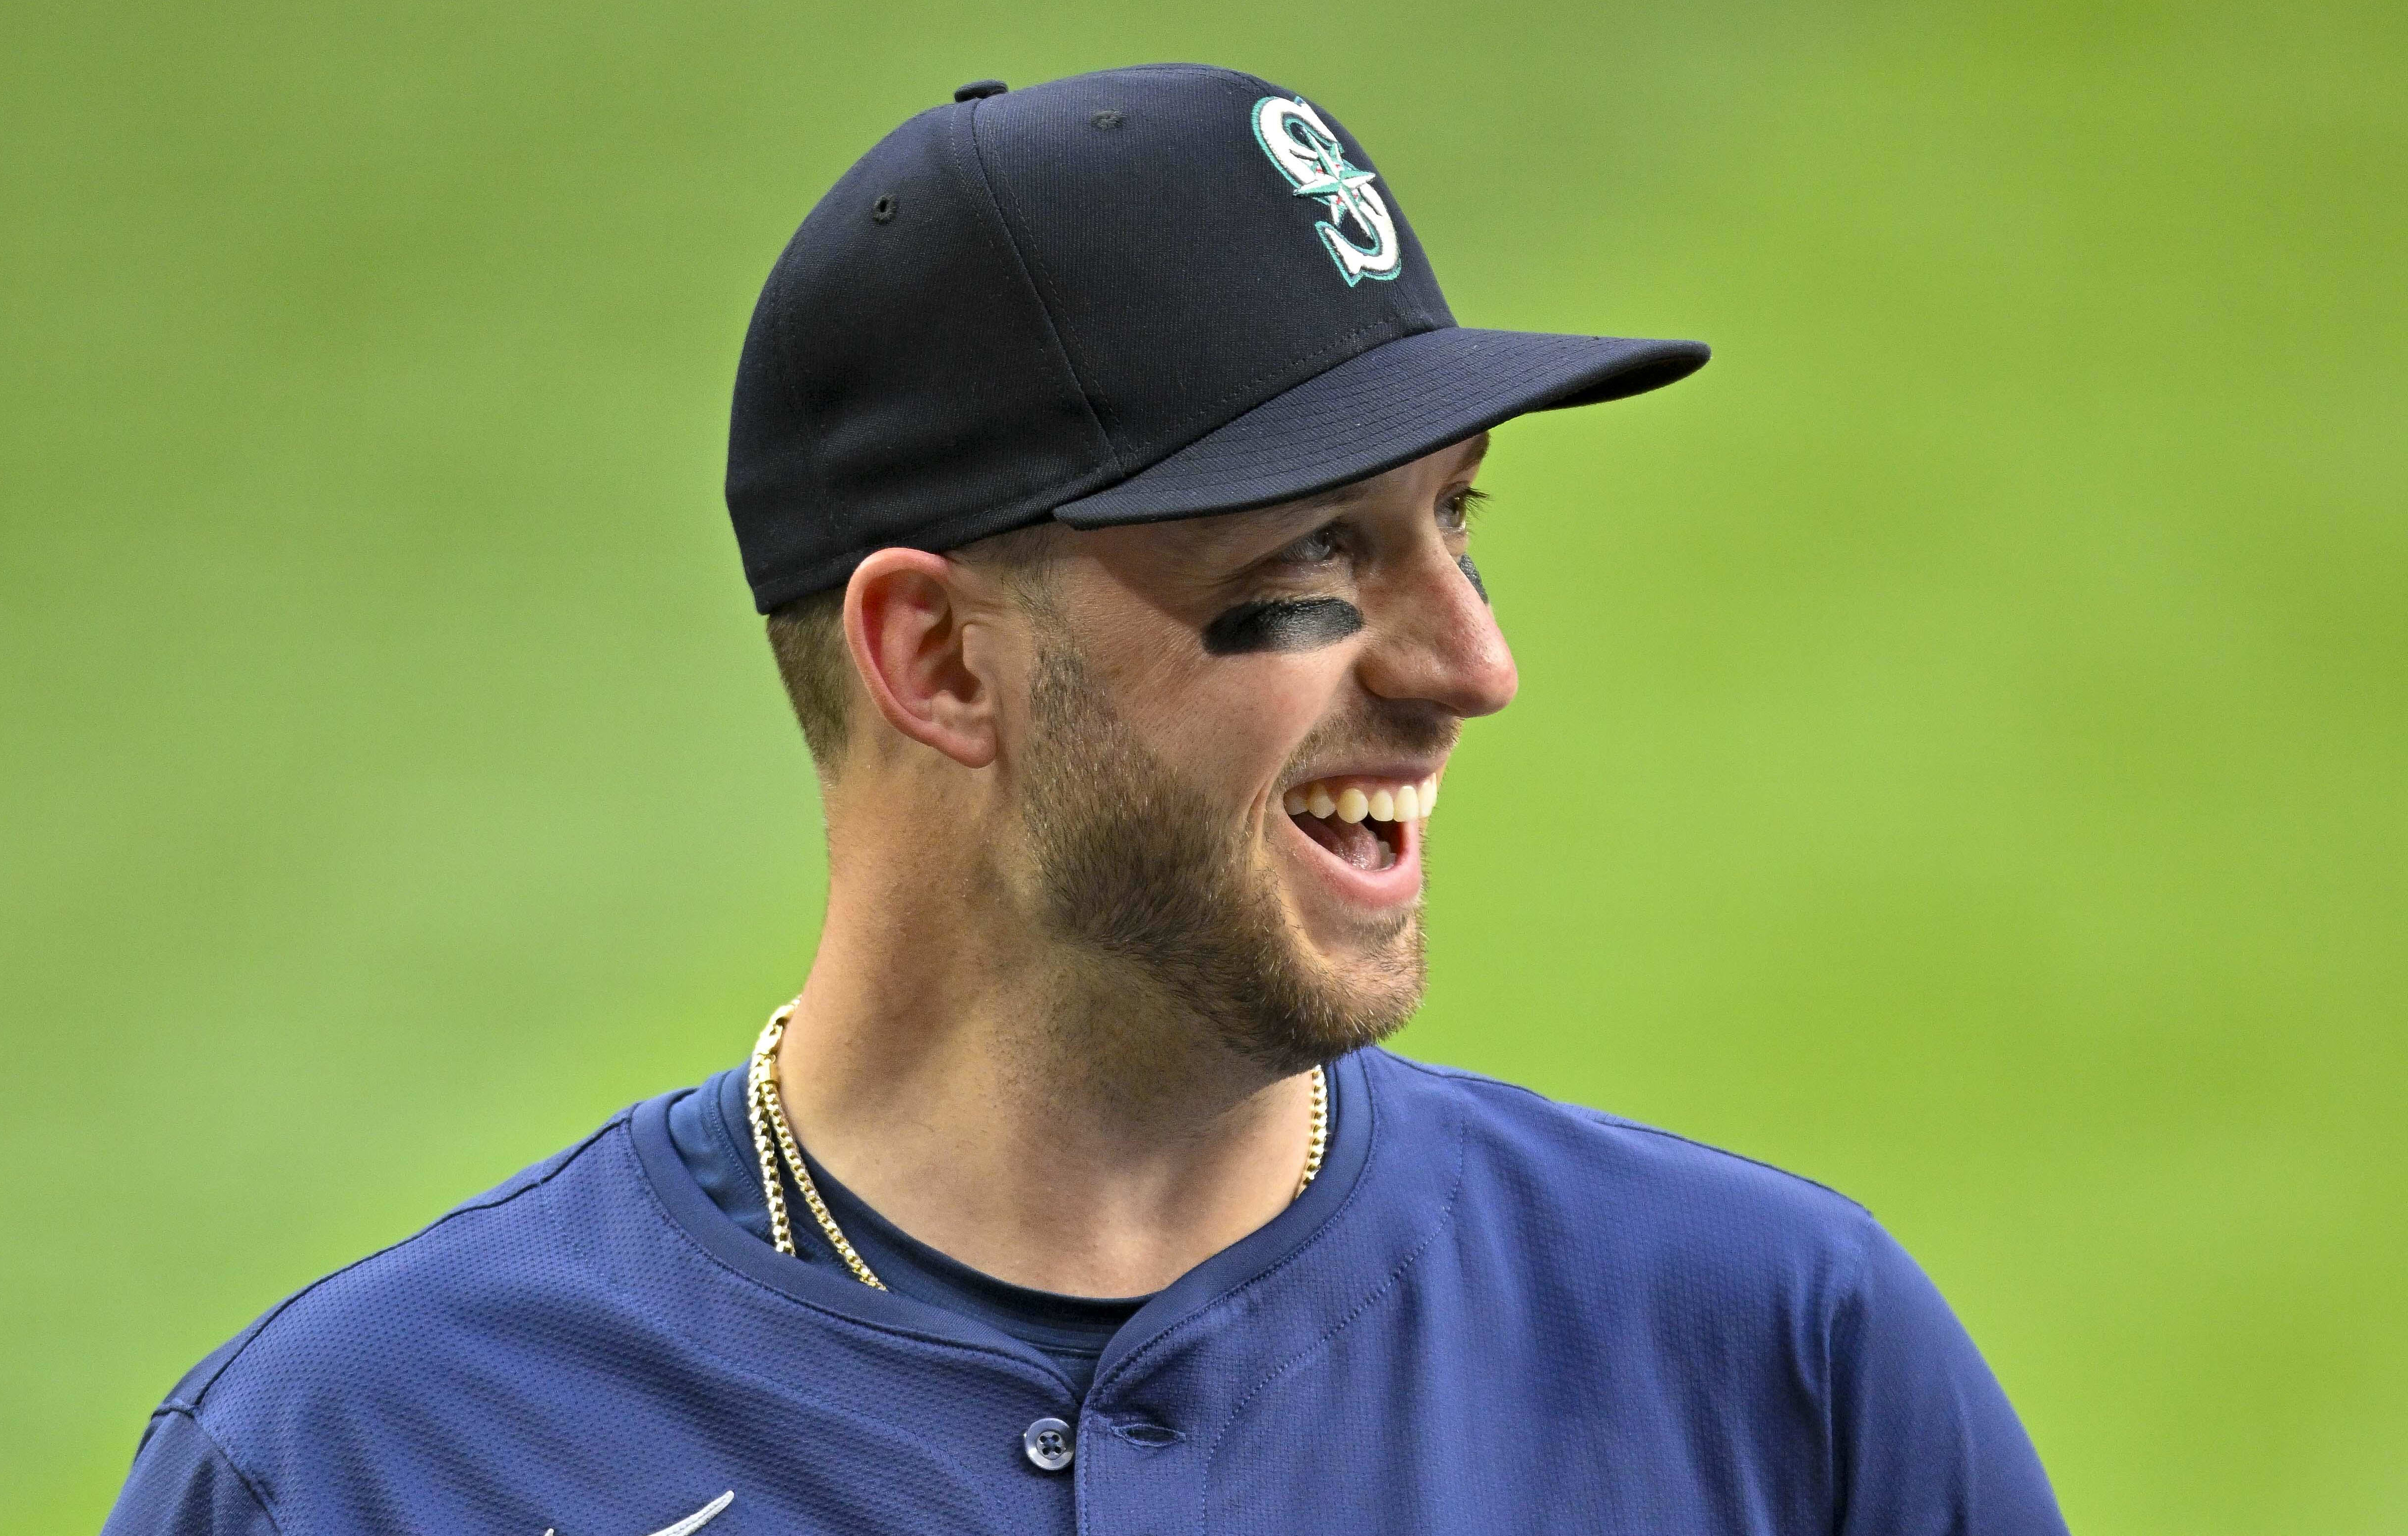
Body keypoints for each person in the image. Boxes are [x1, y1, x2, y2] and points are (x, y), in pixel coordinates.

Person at [102, 64, 2067, 1536]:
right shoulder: (368, 1466)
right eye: (1317, 552)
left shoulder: (1769, 1363)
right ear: (939, 663)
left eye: (1455, 520)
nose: (1469, 665)